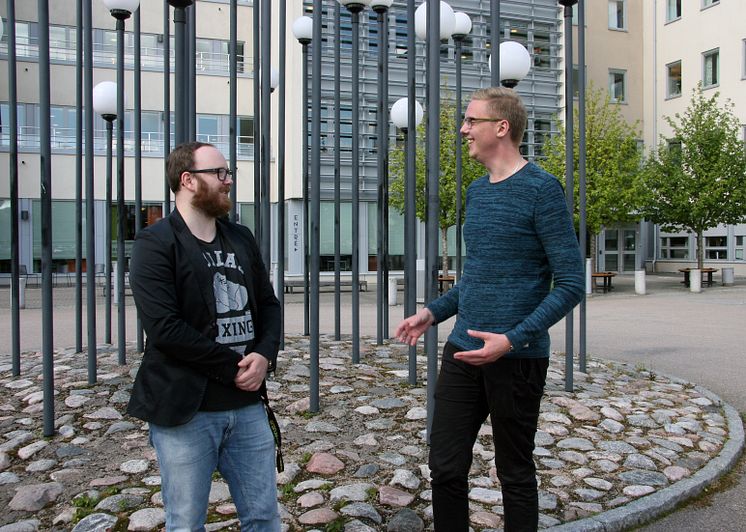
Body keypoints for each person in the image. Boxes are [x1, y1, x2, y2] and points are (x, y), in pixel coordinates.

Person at [395, 87, 584, 532]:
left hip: (516, 361)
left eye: (470, 121)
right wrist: (433, 313)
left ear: (501, 128)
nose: (463, 129)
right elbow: (477, 277)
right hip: (462, 354)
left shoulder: (542, 190)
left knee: (514, 473)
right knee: (444, 467)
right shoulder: (478, 192)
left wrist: (512, 339)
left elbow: (572, 283)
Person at [127, 142, 282, 531]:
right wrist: (234, 367)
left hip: (247, 405)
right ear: (187, 180)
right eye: (220, 173)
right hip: (186, 412)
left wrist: (263, 356)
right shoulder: (155, 244)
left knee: (263, 517)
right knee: (186, 522)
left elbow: (268, 304)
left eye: (229, 173)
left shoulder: (241, 237)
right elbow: (164, 329)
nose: (228, 181)